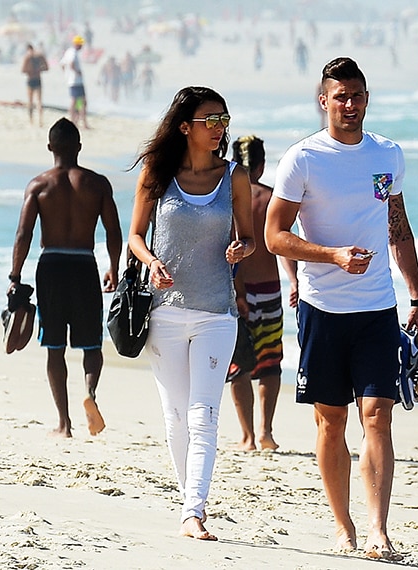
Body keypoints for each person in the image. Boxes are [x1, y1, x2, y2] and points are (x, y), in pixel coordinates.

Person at [264, 57, 418, 560]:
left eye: (358, 96)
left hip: (378, 307)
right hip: (321, 309)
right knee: (331, 422)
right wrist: (332, 255)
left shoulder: (388, 154)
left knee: (378, 417)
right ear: (324, 100)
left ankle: (379, 529)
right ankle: (344, 526)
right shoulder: (304, 159)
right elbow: (274, 236)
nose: (351, 105)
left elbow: (397, 227)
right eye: (341, 97)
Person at [126, 86, 255, 541]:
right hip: (165, 311)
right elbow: (135, 236)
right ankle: (189, 502)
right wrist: (151, 262)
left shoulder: (235, 177)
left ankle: (193, 510)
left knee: (204, 414)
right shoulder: (157, 174)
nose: (221, 128)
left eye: (224, 119)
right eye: (211, 121)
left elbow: (250, 237)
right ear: (186, 127)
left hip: (217, 312)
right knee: (175, 416)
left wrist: (243, 248)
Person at [9, 117, 123, 438]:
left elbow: (23, 235)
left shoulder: (39, 185)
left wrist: (15, 275)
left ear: (50, 147)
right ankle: (90, 393)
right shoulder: (97, 184)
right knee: (91, 345)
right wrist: (114, 268)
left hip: (52, 266)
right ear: (79, 147)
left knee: (54, 347)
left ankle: (64, 423)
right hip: (84, 265)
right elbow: (113, 232)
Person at [226, 135, 299, 451]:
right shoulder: (271, 199)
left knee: (238, 363)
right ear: (261, 164)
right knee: (269, 364)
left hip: (233, 291)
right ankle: (266, 432)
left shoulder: (225, 198)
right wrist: (294, 281)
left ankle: (247, 436)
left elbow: (223, 246)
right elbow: (282, 245)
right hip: (268, 291)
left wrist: (236, 291)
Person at [60, 36, 89, 129]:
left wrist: (66, 75)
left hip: (72, 81)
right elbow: (71, 63)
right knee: (80, 101)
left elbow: (62, 64)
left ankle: (75, 121)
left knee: (77, 101)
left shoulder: (69, 51)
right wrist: (77, 72)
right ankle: (80, 122)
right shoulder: (73, 52)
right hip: (76, 81)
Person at [22, 43, 49, 126]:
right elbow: (46, 67)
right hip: (38, 79)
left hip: (30, 80)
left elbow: (23, 70)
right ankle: (40, 120)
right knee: (39, 101)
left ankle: (31, 120)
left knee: (30, 101)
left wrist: (31, 71)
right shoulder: (39, 56)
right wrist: (38, 70)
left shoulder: (27, 57)